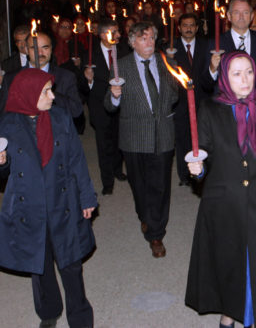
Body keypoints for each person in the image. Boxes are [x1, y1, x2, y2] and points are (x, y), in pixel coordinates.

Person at [185, 51, 256, 328]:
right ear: (224, 77)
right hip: (224, 203)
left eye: (249, 72)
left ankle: (255, 317)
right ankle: (229, 313)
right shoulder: (210, 109)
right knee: (229, 263)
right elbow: (204, 152)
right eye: (236, 73)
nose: (244, 80)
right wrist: (199, 168)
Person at [0, 68, 97, 328]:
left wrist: (87, 197)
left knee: (71, 265)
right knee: (39, 266)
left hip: (62, 201)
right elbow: (5, 171)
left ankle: (80, 318)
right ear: (29, 94)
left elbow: (77, 160)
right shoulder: (8, 125)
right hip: (29, 206)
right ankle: (49, 311)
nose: (52, 96)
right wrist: (1, 163)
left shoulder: (60, 118)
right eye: (46, 91)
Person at [104, 21, 178, 258]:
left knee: (161, 186)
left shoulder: (166, 62)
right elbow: (109, 104)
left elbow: (175, 93)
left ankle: (156, 233)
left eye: (152, 38)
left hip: (163, 133)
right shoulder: (120, 66)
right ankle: (145, 216)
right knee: (140, 186)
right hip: (134, 137)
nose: (149, 43)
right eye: (144, 38)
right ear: (133, 42)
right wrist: (115, 96)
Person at [81, 18, 127, 195]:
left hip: (121, 103)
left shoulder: (123, 51)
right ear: (102, 34)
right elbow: (82, 86)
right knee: (103, 144)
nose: (118, 35)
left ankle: (117, 170)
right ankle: (107, 180)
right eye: (114, 32)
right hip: (100, 104)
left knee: (119, 140)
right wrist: (89, 79)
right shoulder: (90, 54)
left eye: (118, 31)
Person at [206, 0, 256, 101]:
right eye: (236, 12)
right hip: (227, 109)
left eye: (245, 12)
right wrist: (212, 69)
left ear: (251, 16)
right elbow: (206, 84)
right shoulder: (216, 43)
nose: (241, 16)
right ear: (229, 16)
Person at [171, 13, 212, 185]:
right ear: (179, 28)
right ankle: (184, 174)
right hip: (180, 101)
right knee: (182, 138)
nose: (188, 28)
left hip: (202, 99)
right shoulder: (171, 48)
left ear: (196, 28)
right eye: (185, 25)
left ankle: (203, 171)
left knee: (203, 138)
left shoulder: (206, 46)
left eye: (192, 25)